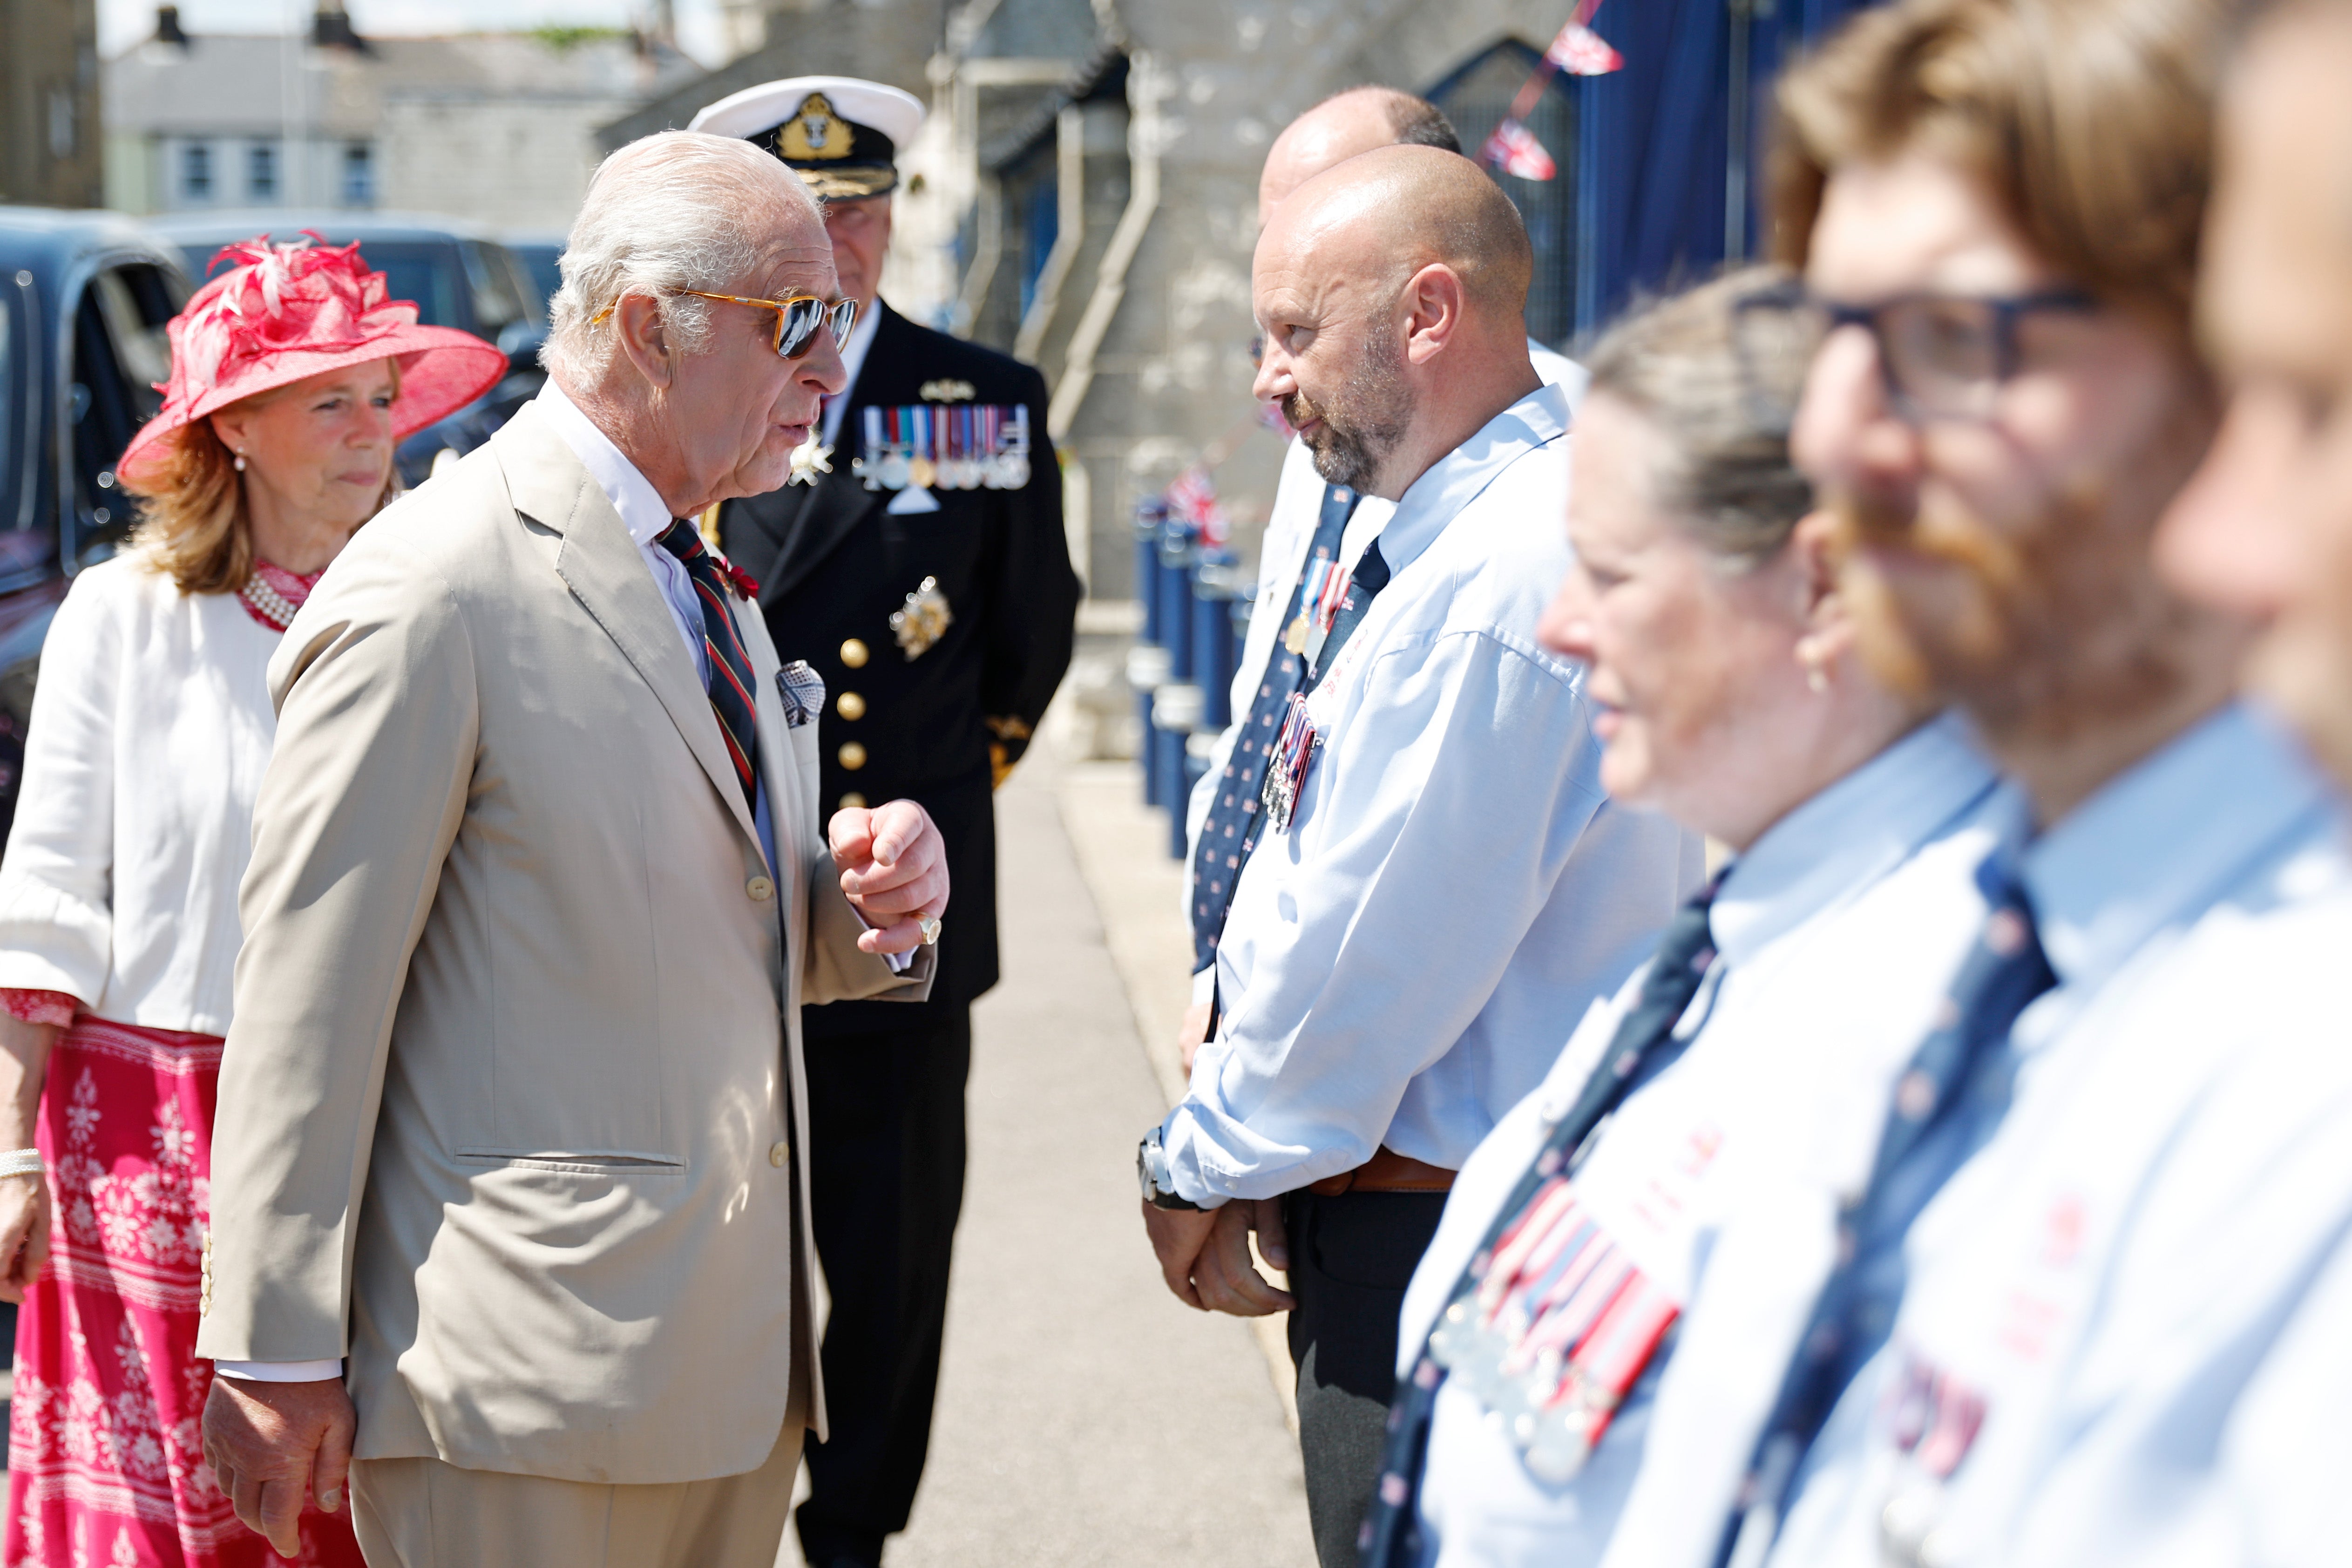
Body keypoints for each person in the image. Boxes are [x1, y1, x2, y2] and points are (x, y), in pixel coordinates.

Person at [192, 131, 949, 1568]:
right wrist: (273, 1352)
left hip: (720, 1376)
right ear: (647, 326)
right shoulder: (437, 586)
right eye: (800, 323)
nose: (831, 370)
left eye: (837, 320)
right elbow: (306, 1004)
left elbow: (711, 920)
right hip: (521, 1393)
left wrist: (871, 905)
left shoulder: (699, 568)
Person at [1674, 0, 2352, 1563]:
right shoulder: (1944, 943)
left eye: (1942, 343)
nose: (1833, 437)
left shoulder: (2287, 1048)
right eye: (1820, 336)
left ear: (2211, 364)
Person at [1355, 267, 2026, 1568]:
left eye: (1607, 572)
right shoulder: (1761, 932)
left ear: (1823, 591)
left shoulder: (1928, 1026)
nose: (1561, 623)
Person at [1133, 144, 1699, 1568]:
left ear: (1427, 315)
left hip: (1436, 1236)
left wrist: (1201, 1161)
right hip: (1455, 1213)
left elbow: (1366, 955)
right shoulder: (1471, 527)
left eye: (1294, 330)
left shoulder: (1498, 575)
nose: (1270, 377)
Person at [0, 237, 501, 1566]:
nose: (372, 432)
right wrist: (6, 1147)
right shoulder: (123, 616)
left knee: (351, 1503)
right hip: (143, 1138)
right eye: (329, 400)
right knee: (168, 1516)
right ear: (234, 428)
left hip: (374, 1127)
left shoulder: (432, 613)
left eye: (383, 398)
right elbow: (47, 897)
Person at [685, 75, 1079, 1568]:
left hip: (901, 919)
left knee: (893, 1257)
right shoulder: (689, 402)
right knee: (717, 1256)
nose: (839, 245)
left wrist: (931, 813)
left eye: (860, 212)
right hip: (716, 912)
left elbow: (1029, 636)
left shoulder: (977, 402)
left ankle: (852, 1534)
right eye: (804, 218)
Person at [1179, 88, 1586, 1068]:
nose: (1300, 244)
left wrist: (1241, 1134)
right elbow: (1272, 700)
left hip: (1399, 1103)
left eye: (1335, 209)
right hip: (1260, 1022)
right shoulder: (1332, 433)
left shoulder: (1559, 480)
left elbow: (1423, 893)